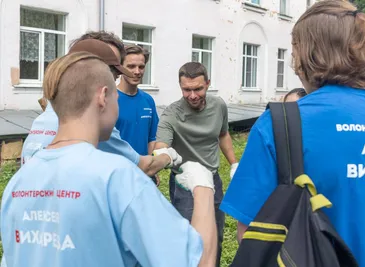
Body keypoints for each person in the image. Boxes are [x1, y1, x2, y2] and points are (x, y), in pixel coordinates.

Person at [220, 1, 365, 267]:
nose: (294, 64)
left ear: (308, 55)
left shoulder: (282, 123)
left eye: (295, 51)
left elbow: (252, 234)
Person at [1, 51, 217, 267]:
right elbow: (199, 262)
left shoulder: (18, 182)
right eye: (116, 97)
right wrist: (203, 186)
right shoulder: (119, 178)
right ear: (103, 97)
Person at [21, 32, 180, 177]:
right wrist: (167, 156)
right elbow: (143, 167)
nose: (114, 85)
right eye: (112, 71)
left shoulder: (47, 116)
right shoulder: (89, 121)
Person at [155, 62, 238, 267]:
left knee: (214, 237)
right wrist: (164, 154)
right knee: (188, 239)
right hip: (184, 184)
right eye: (187, 89)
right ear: (180, 87)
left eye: (198, 89)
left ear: (207, 84)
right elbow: (160, 146)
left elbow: (223, 134)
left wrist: (234, 163)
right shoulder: (171, 114)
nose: (192, 95)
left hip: (213, 181)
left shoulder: (218, 105)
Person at [115, 44, 160, 184]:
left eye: (141, 67)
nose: (137, 71)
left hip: (143, 174)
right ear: (120, 68)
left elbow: (152, 138)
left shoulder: (148, 100)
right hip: (118, 175)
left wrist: (152, 167)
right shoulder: (110, 100)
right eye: (131, 66)